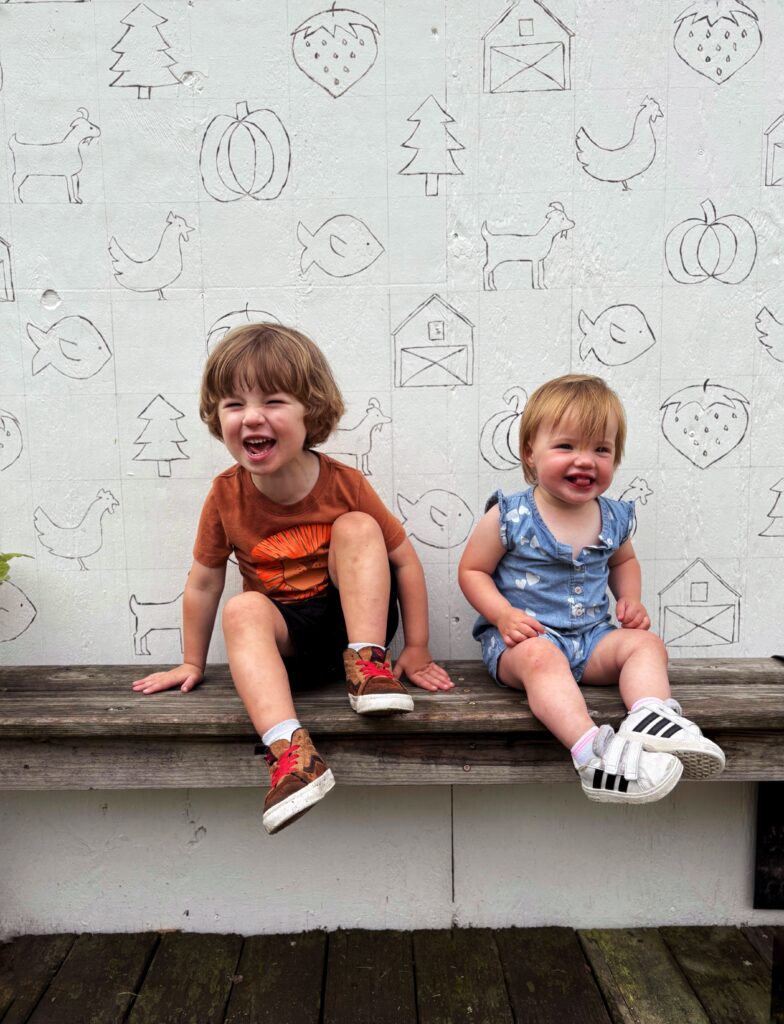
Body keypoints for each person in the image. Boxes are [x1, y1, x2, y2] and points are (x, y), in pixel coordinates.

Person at [133, 324, 452, 834]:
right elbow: (204, 583)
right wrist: (191, 661)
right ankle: (292, 756)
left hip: (353, 625)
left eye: (273, 401)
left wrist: (417, 646)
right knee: (242, 608)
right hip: (289, 649)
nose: (252, 416)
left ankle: (368, 667)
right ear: (218, 418)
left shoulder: (343, 482)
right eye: (234, 404)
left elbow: (405, 562)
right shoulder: (225, 495)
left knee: (358, 527)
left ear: (313, 413)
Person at [458, 374, 724, 803]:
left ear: (615, 459)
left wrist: (630, 599)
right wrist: (502, 615)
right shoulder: (510, 515)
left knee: (645, 644)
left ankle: (650, 717)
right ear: (530, 451)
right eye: (566, 446)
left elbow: (624, 561)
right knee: (544, 656)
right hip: (524, 644)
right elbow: (472, 571)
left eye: (601, 449)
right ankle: (593, 755)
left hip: (592, 639)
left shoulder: (613, 517)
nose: (585, 460)